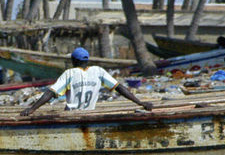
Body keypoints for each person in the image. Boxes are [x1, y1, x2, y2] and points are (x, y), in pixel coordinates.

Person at [21, 47, 153, 116]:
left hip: (71, 116)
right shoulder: (98, 71)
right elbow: (120, 88)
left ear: (73, 61)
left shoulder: (69, 73)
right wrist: (140, 102)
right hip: (90, 114)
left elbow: (50, 93)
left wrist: (32, 109)